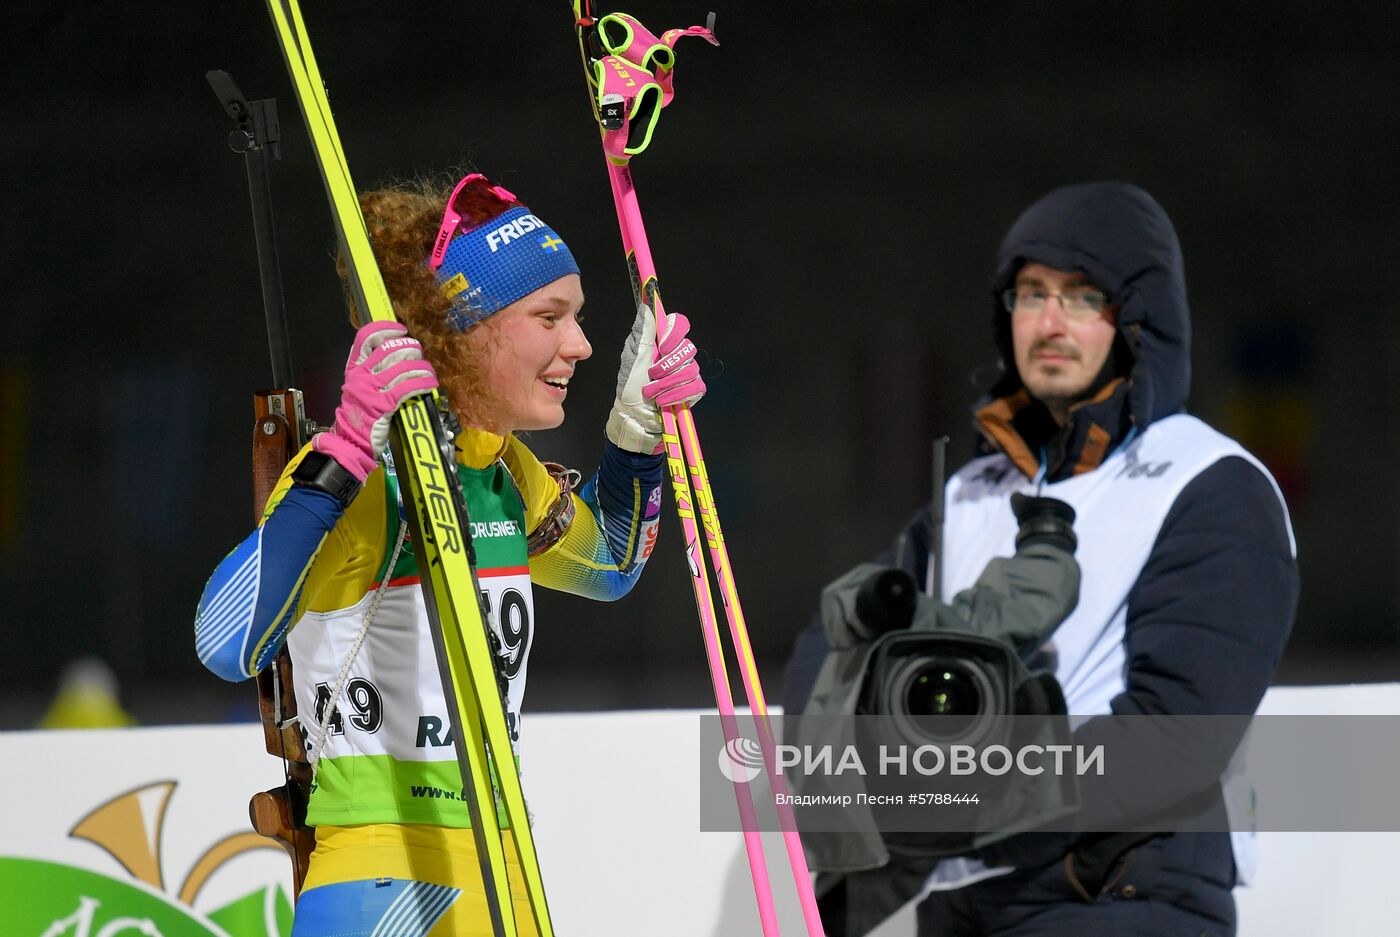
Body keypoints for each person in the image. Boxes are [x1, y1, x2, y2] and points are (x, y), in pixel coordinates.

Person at [195, 173, 705, 935]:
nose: (582, 344)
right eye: (549, 317)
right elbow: (226, 641)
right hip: (387, 876)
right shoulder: (370, 478)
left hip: (508, 870)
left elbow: (612, 564)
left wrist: (637, 429)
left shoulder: (499, 468)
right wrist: (338, 456)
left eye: (579, 316)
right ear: (467, 329)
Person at [783, 181, 1298, 936]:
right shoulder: (971, 494)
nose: (1050, 322)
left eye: (1083, 296)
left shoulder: (1211, 484)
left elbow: (1178, 735)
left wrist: (966, 797)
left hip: (1121, 896)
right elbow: (834, 641)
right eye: (1030, 294)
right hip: (964, 905)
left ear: (1140, 319)